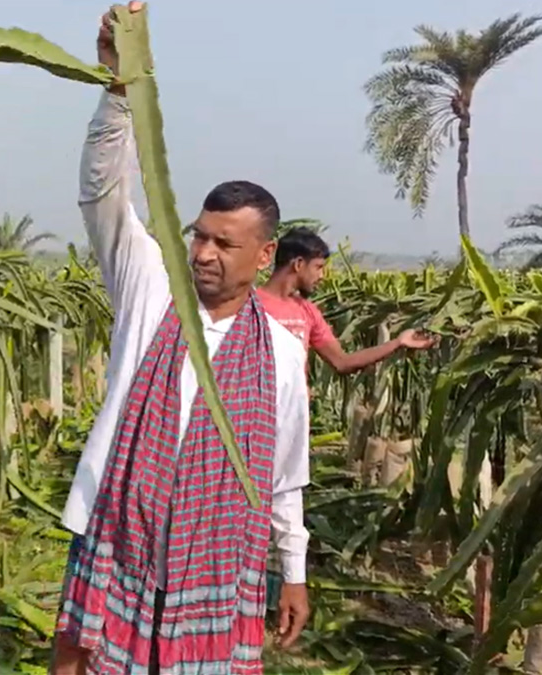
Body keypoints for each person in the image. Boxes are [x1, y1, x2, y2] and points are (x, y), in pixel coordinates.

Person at [52, 5, 311, 673]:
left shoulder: (282, 353)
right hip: (118, 539)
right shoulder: (150, 285)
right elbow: (103, 192)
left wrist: (294, 570)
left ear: (264, 255)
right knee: (79, 659)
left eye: (225, 243)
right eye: (199, 235)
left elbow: (284, 475)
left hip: (217, 566)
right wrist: (119, 86)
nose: (203, 253)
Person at [257, 227, 437, 373]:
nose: (322, 276)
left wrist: (398, 342)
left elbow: (342, 362)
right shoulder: (251, 306)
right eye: (318, 267)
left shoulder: (307, 311)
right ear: (298, 264)